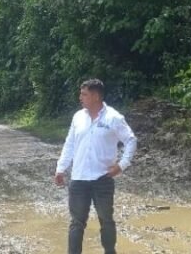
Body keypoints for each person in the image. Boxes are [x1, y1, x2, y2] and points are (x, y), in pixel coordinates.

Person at [54, 79, 137, 254]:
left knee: (106, 220)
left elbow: (130, 140)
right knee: (76, 222)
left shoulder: (114, 118)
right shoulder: (78, 117)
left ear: (96, 96)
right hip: (79, 178)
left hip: (103, 179)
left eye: (84, 94)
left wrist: (121, 165)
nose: (80, 97)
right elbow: (70, 144)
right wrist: (61, 168)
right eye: (81, 93)